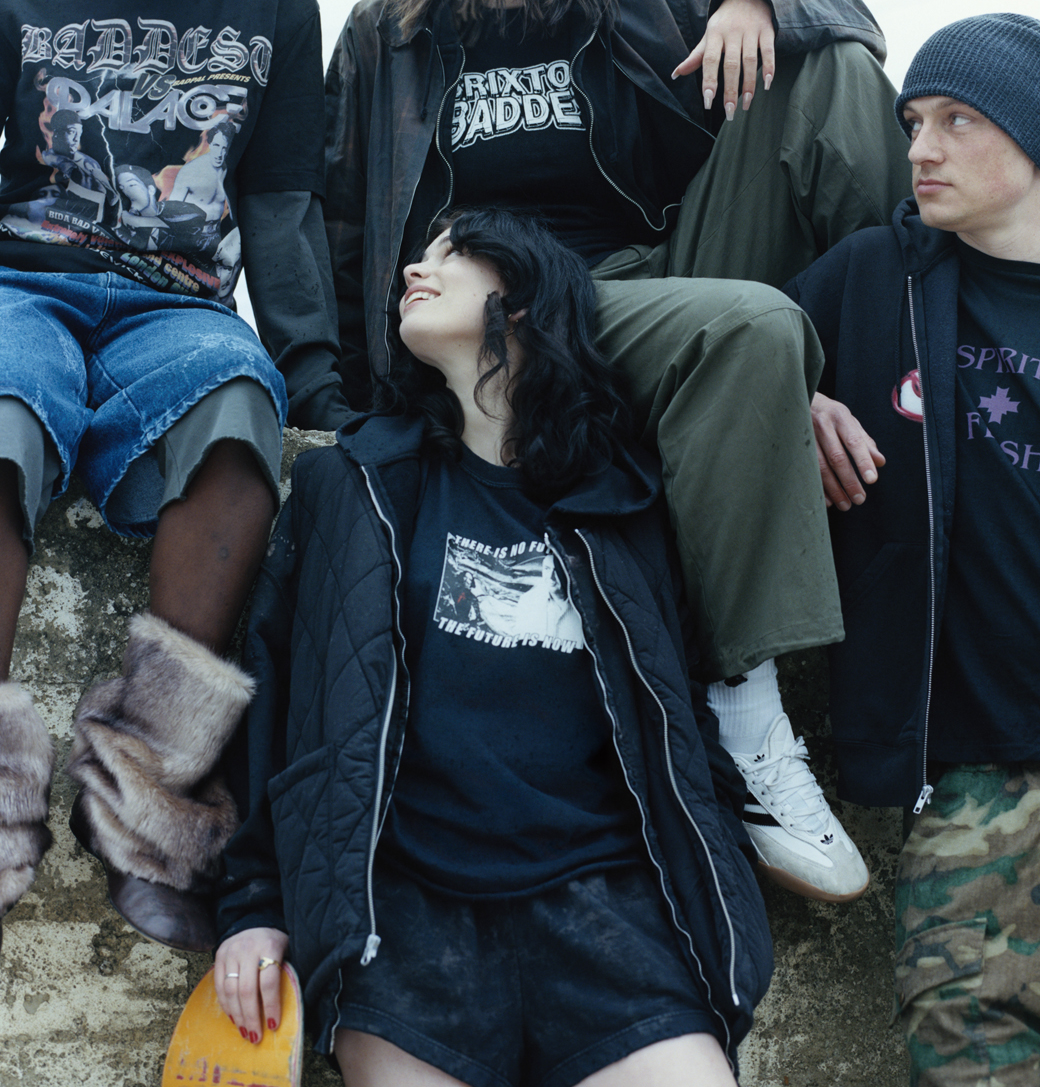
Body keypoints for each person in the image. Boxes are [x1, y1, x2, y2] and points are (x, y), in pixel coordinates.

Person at [324, 0, 912, 901]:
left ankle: (876, 381)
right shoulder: (390, 34)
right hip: (518, 306)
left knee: (824, 64)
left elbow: (843, 16)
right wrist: (338, 392)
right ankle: (741, 715)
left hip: (660, 271)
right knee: (748, 324)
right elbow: (336, 216)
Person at [214, 208, 772, 1087]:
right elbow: (277, 694)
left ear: (521, 299)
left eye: (453, 253)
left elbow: (676, 711)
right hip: (404, 918)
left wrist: (727, 871)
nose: (414, 269)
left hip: (607, 908)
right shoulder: (351, 483)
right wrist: (253, 905)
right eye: (418, 252)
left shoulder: (622, 504)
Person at [0, 0, 347, 954]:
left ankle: (144, 813)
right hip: (23, 284)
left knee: (237, 428)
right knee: (0, 413)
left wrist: (312, 375)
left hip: (177, 305)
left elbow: (284, 202)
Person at [785, 14, 1040, 1085]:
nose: (920, 148)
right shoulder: (867, 279)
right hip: (978, 764)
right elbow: (711, 364)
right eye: (911, 123)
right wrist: (785, 397)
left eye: (957, 121)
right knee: (962, 1035)